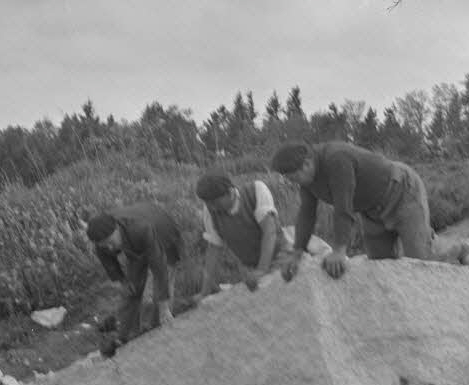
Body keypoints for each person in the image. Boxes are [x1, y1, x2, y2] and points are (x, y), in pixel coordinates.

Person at [270, 140, 442, 280]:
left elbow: (343, 207)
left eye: (293, 177)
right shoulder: (307, 181)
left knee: (421, 263)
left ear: (306, 163)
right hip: (372, 211)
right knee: (380, 265)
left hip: (402, 193)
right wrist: (297, 251)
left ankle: (459, 252)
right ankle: (425, 239)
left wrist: (339, 251)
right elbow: (306, 214)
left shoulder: (337, 159)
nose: (293, 182)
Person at [191, 171, 331, 302]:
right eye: (208, 203)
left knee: (288, 289)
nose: (212, 207)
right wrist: (204, 292)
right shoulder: (210, 210)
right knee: (256, 297)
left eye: (215, 202)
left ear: (230, 192)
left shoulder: (257, 190)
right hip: (250, 265)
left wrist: (262, 270)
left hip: (281, 253)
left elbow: (269, 232)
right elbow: (214, 249)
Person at [86, 202, 183, 351]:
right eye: (105, 245)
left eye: (111, 242)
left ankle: (161, 328)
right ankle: (125, 335)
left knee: (157, 295)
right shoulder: (102, 242)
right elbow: (111, 265)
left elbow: (160, 269)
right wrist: (124, 281)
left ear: (117, 228)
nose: (110, 248)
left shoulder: (140, 228)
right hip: (134, 243)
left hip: (163, 233)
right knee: (132, 290)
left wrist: (163, 307)